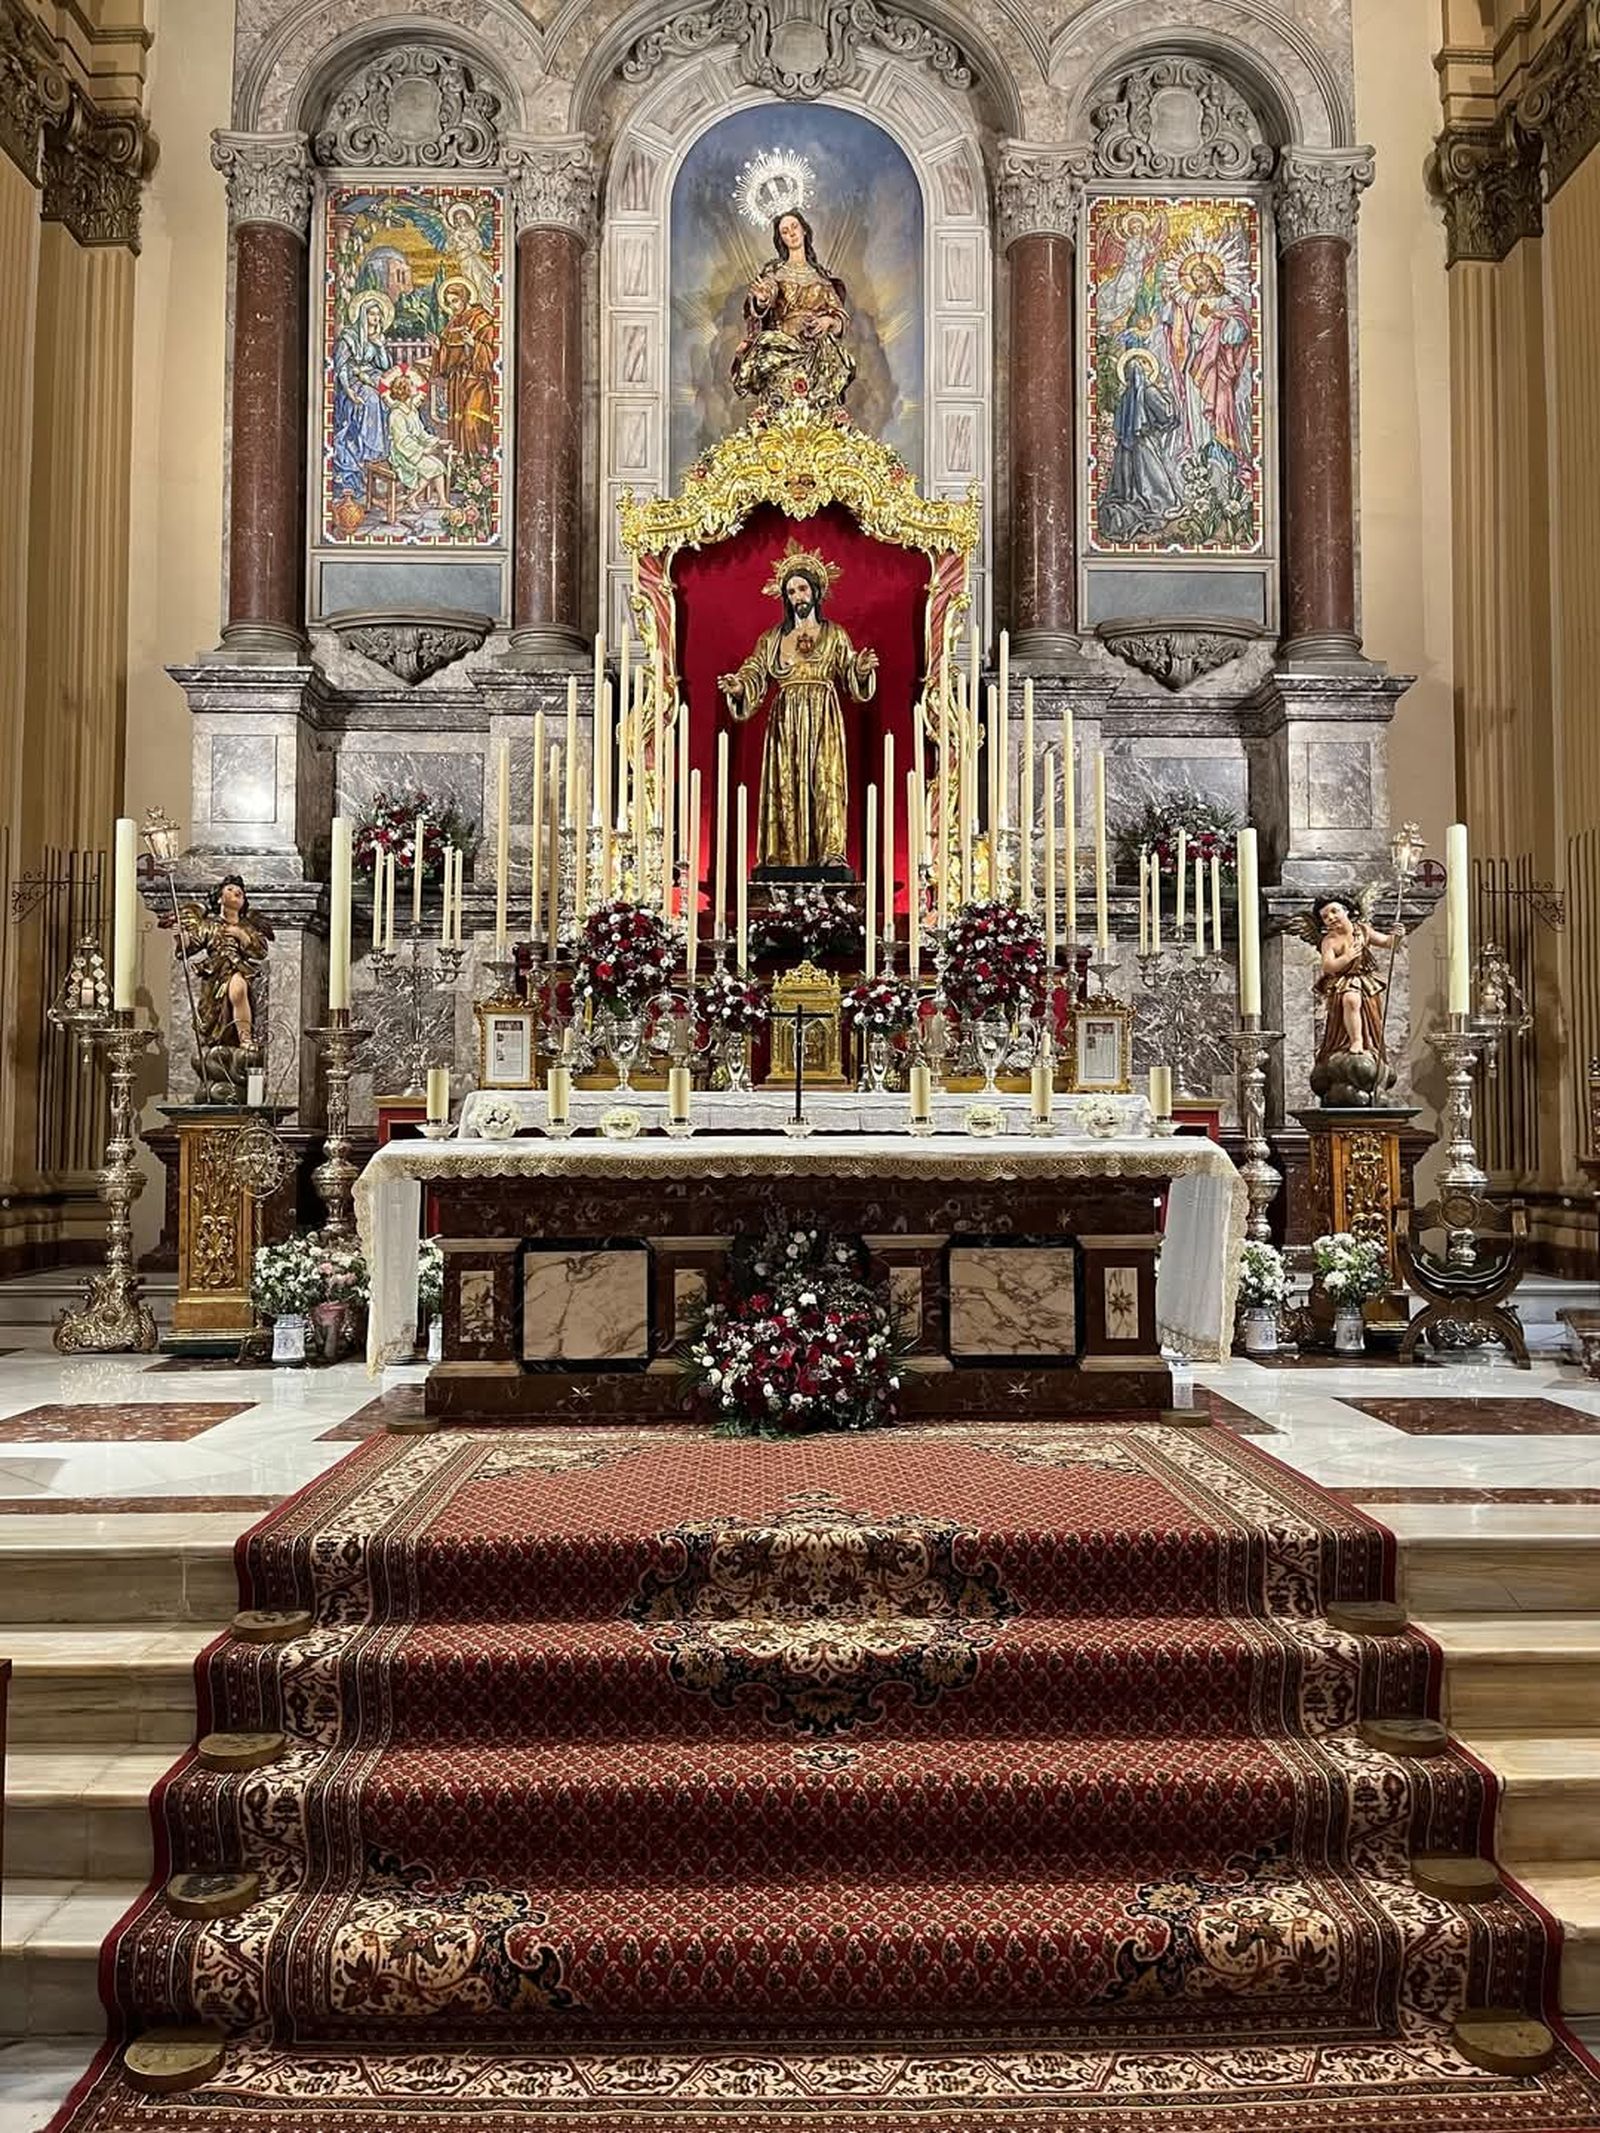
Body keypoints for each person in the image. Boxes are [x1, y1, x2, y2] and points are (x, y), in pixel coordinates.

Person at [718, 543, 879, 870]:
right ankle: (781, 857)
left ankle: (831, 855)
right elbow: (755, 671)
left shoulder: (834, 634)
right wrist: (739, 686)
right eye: (791, 591)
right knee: (784, 784)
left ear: (816, 592)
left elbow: (849, 671)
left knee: (826, 782)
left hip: (823, 717)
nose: (797, 596)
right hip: (785, 720)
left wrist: (859, 670)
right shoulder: (772, 638)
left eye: (803, 588)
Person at [730, 211, 856, 415]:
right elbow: (766, 294)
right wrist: (762, 300)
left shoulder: (821, 278)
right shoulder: (776, 272)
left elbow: (840, 316)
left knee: (820, 409)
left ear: (804, 230)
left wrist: (827, 321)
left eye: (794, 227)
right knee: (781, 404)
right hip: (783, 345)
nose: (792, 234)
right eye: (785, 231)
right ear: (781, 239)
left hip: (818, 349)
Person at [1099, 346, 1183, 541]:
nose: (1147, 367)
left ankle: (1131, 499)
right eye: (1144, 364)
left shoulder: (1125, 396)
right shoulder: (1150, 391)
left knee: (1130, 478)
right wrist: (1169, 398)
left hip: (1125, 447)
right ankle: (1161, 504)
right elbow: (1167, 416)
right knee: (1151, 476)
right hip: (1145, 444)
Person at [1312, 894, 1403, 1065]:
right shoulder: (1329, 941)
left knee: (1364, 1008)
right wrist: (1346, 957)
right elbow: (1328, 966)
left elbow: (1387, 942)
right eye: (1325, 916)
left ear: (1346, 911)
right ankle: (1355, 1040)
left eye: (1334, 911)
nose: (1330, 917)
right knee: (1351, 999)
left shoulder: (1363, 931)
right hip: (1343, 982)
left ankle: (1367, 1043)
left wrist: (1397, 936)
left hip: (1364, 982)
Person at [331, 290, 393, 493]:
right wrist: (349, 392)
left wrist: (380, 347)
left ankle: (387, 457)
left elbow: (384, 367)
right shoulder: (349, 337)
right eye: (371, 314)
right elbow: (340, 367)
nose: (375, 318)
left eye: (377, 314)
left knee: (393, 398)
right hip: (351, 383)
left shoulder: (377, 337)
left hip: (371, 378)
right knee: (373, 399)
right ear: (362, 315)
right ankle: (369, 454)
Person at [434, 277, 496, 462]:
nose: (452, 306)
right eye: (449, 303)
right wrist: (439, 348)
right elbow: (447, 361)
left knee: (472, 422)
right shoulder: (452, 325)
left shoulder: (482, 319)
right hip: (459, 382)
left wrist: (473, 344)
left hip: (478, 381)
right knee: (460, 425)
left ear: (465, 297)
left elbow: (493, 354)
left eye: (455, 301)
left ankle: (480, 463)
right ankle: (466, 469)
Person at [383, 369, 450, 511]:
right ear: (404, 390)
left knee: (438, 465)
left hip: (414, 451)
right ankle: (412, 497)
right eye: (412, 385)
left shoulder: (412, 410)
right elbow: (402, 441)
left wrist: (437, 441)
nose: (416, 387)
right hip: (403, 454)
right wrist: (423, 451)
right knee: (433, 467)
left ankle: (442, 501)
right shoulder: (396, 414)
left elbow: (421, 433)